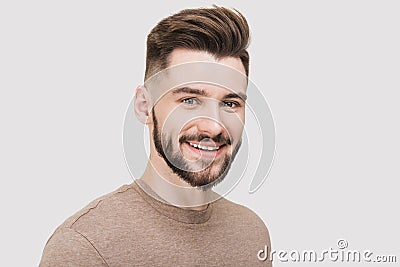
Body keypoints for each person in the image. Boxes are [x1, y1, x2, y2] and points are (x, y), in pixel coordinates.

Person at [40, 5, 272, 266]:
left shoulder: (252, 233)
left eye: (230, 103)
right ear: (144, 106)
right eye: (190, 100)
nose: (214, 127)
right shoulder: (84, 246)